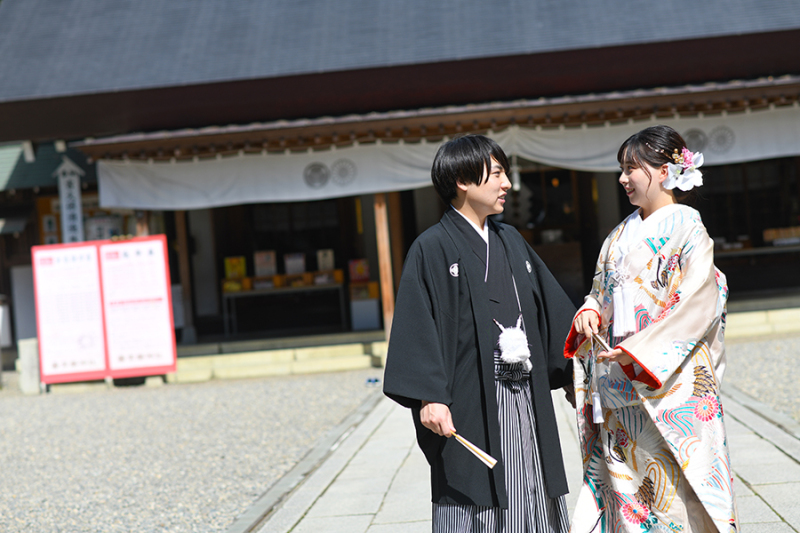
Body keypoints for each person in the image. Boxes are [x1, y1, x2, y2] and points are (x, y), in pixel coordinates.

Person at [383, 134, 576, 532]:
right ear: (463, 180)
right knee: (472, 486)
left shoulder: (511, 241)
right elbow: (417, 326)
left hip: (524, 388)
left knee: (531, 478)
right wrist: (430, 396)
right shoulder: (431, 247)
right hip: (469, 393)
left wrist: (573, 372)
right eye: (498, 174)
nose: (507, 184)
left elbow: (549, 311)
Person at [564, 125, 737, 532]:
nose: (623, 178)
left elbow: (701, 299)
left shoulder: (688, 226)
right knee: (629, 497)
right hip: (619, 380)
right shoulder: (617, 235)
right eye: (621, 169)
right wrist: (588, 311)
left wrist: (641, 350)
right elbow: (599, 293)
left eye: (632, 168)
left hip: (666, 384)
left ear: (664, 171)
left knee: (675, 494)